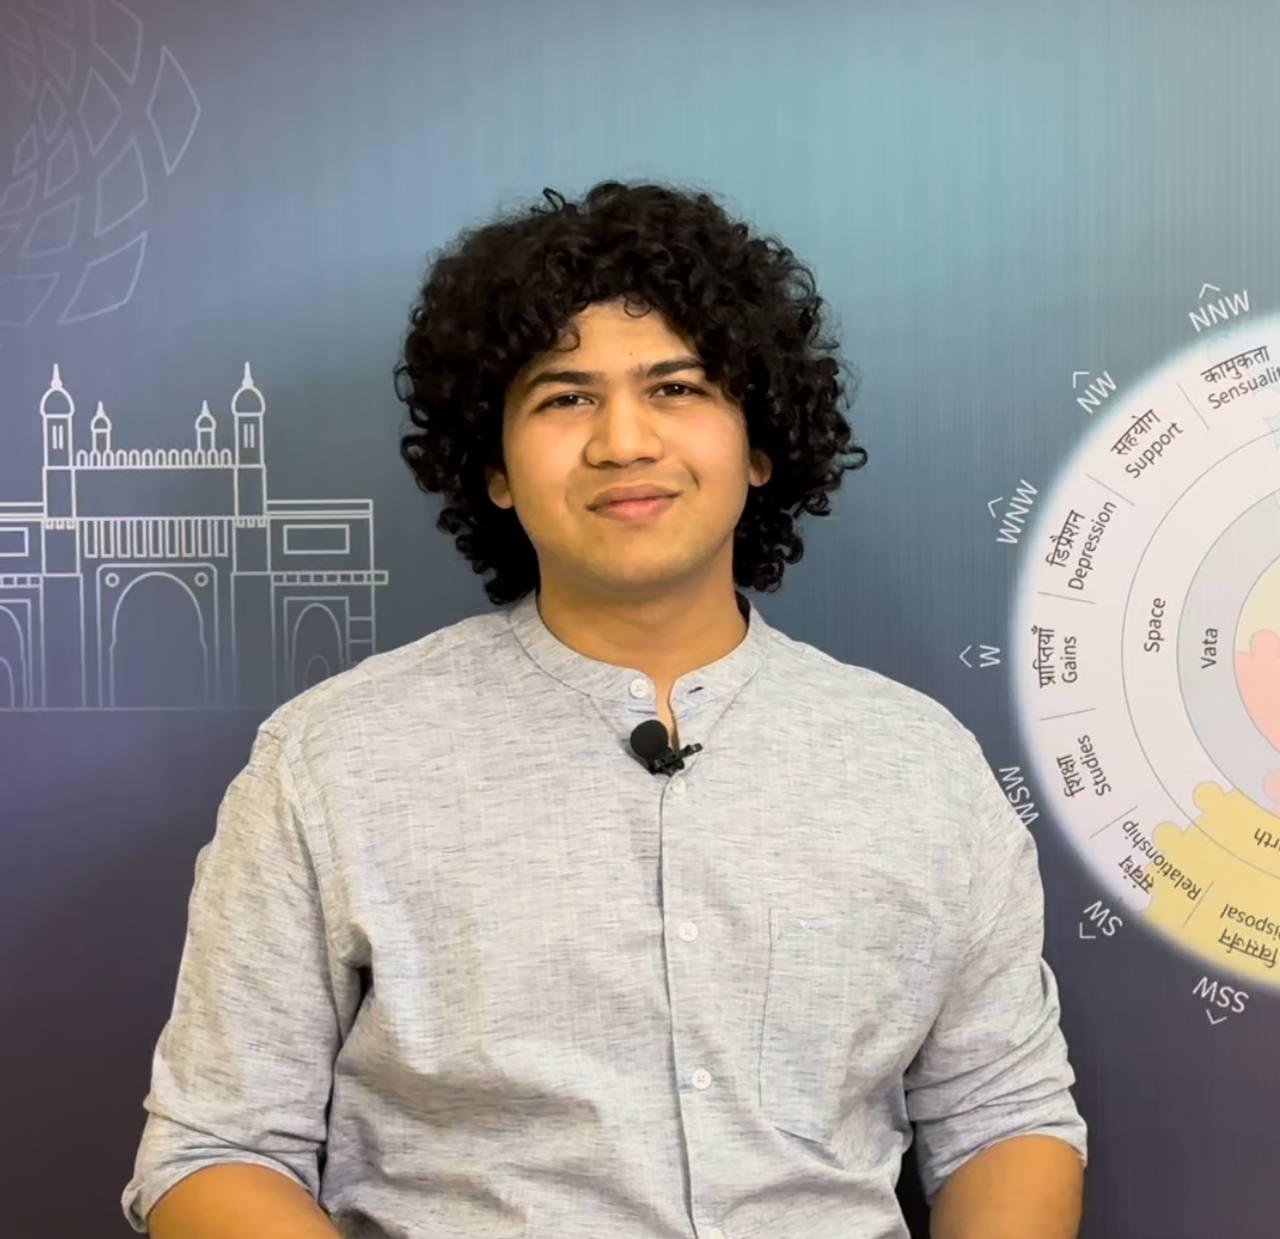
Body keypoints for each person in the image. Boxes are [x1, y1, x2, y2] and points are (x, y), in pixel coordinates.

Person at [122, 179, 1087, 1238]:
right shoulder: (331, 758)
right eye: (564, 398)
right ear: (493, 468)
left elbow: (1004, 1119)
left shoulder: (917, 762)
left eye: (676, 387)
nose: (623, 440)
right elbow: (215, 1151)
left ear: (759, 444)